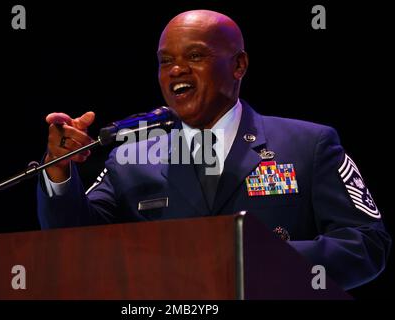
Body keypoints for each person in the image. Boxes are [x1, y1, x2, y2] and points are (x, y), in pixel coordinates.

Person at [37, 10, 391, 290]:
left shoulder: (309, 145)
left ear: (239, 65)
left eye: (195, 55)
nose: (177, 69)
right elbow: (74, 245)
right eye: (165, 60)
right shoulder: (131, 157)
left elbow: (365, 245)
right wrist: (58, 168)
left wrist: (258, 260)